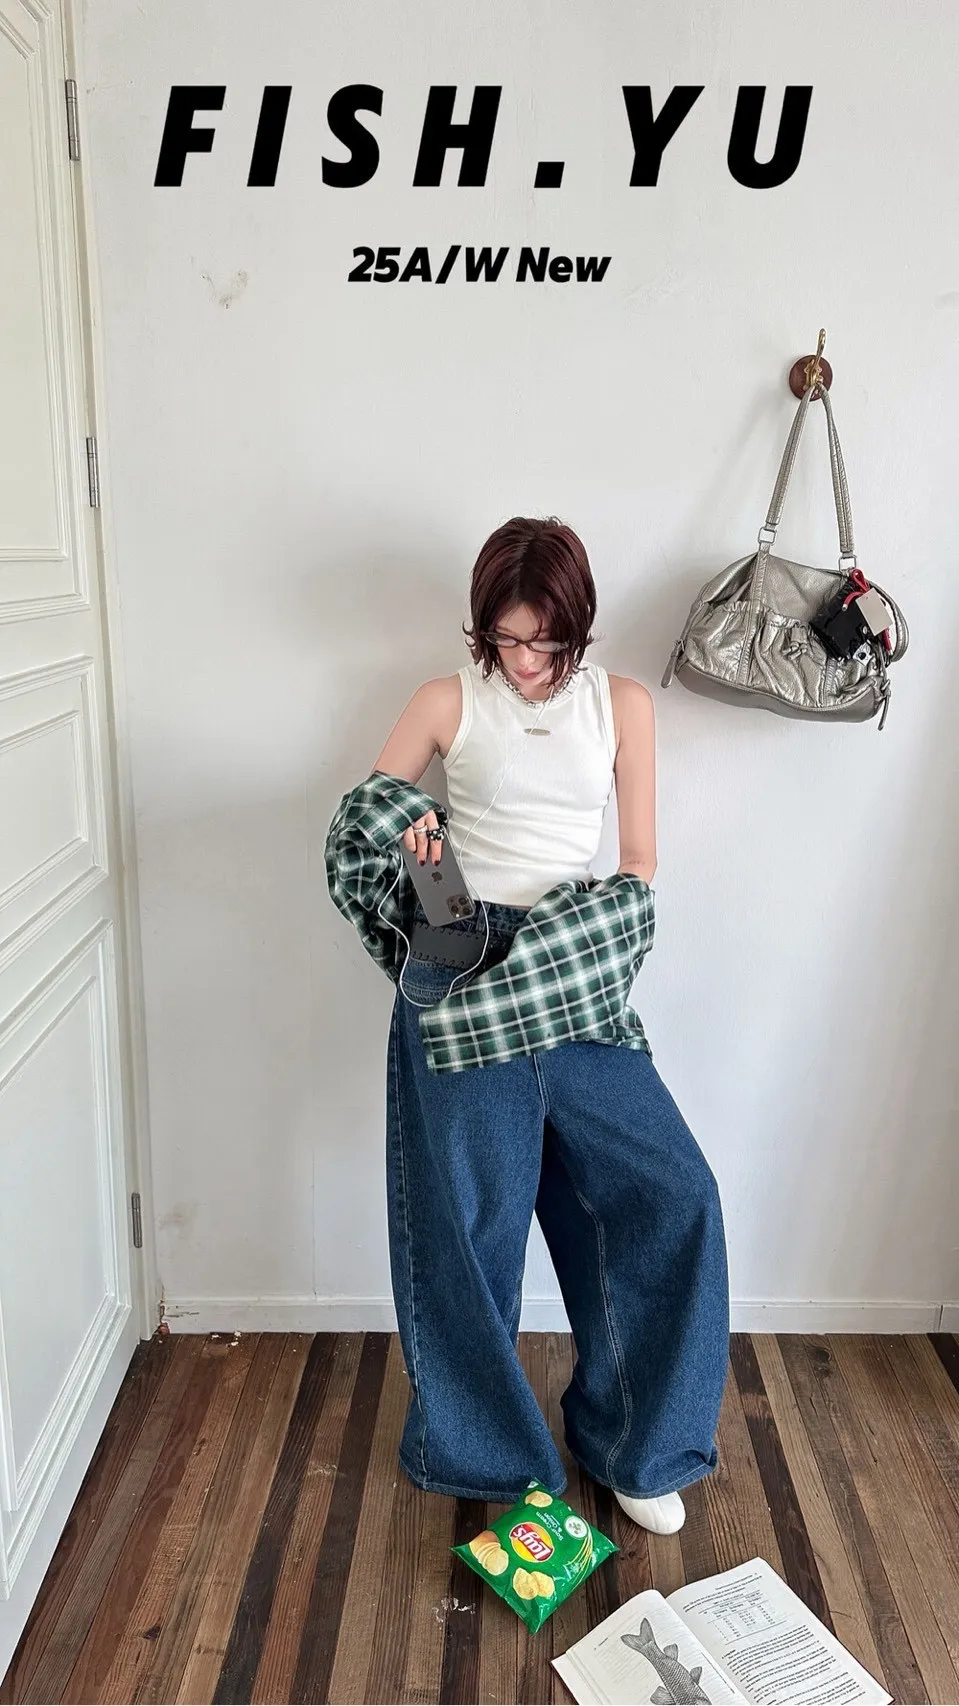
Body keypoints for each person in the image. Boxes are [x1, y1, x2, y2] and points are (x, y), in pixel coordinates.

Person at [337, 516, 730, 1535]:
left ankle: (638, 1443)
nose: (521, 660)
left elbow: (637, 859)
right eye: (503, 638)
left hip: (572, 956)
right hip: (461, 953)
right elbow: (372, 825)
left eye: (544, 640)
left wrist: (589, 938)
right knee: (472, 1223)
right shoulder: (444, 700)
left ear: (577, 624)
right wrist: (430, 875)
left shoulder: (621, 704)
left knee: (669, 1190)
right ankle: (487, 1452)